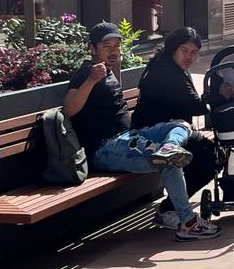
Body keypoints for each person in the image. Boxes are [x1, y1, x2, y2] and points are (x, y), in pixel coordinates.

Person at [65, 22, 217, 240]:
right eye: (107, 46)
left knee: (180, 126)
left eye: (117, 45)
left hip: (129, 138)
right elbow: (69, 108)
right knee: (169, 161)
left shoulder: (107, 72)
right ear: (92, 48)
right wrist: (90, 80)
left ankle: (169, 146)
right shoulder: (85, 73)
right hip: (105, 149)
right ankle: (188, 223)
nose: (113, 50)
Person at [131, 28, 219, 226]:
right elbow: (195, 106)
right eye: (184, 50)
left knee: (206, 153)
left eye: (194, 52)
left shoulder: (166, 64)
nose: (189, 56)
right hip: (154, 134)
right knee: (211, 156)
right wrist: (217, 94)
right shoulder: (167, 71)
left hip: (167, 130)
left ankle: (174, 205)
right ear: (173, 49)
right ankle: (168, 209)